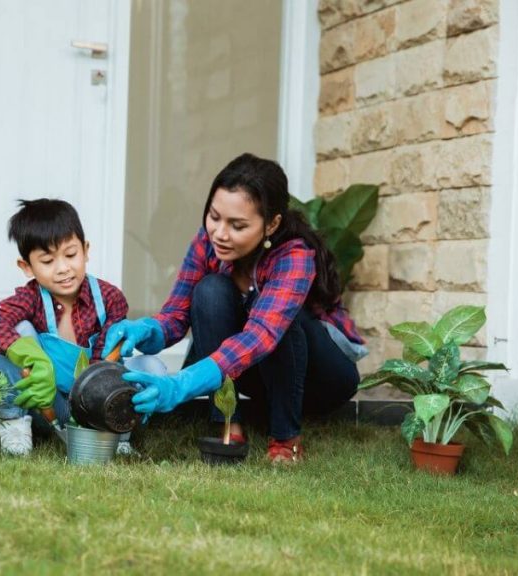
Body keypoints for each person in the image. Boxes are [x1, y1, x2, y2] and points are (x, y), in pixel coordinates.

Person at [105, 153, 367, 464]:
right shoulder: (209, 242)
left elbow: (261, 336)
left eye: (237, 225)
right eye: (214, 217)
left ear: (271, 224)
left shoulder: (294, 255)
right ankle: (229, 425)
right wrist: (145, 331)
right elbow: (176, 316)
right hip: (257, 372)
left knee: (282, 318)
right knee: (209, 291)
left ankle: (285, 439)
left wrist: (181, 384)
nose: (220, 233)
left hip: (320, 378)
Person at [0, 199, 165, 456]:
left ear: (86, 250)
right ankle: (14, 424)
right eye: (48, 261)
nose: (63, 268)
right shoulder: (31, 299)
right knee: (17, 329)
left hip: (100, 403)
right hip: (49, 404)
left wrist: (99, 407)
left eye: (71, 255)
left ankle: (117, 436)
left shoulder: (109, 298)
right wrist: (29, 355)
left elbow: (105, 362)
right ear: (27, 267)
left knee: (152, 368)